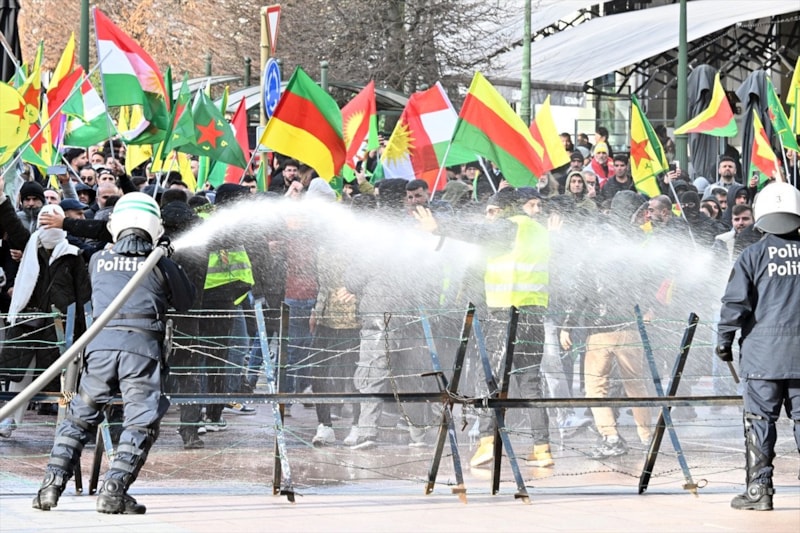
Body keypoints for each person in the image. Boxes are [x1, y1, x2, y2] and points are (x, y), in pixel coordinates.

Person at [32, 192, 195, 514]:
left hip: (100, 349)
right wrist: (166, 257)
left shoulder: (98, 260)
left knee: (79, 417)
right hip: (141, 352)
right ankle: (114, 490)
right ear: (155, 226)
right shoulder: (160, 263)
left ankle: (49, 488)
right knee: (140, 421)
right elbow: (186, 301)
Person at [716, 181, 800, 511]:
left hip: (763, 357)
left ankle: (759, 491)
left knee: (759, 420)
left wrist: (724, 340)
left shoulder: (752, 255)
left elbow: (735, 303)